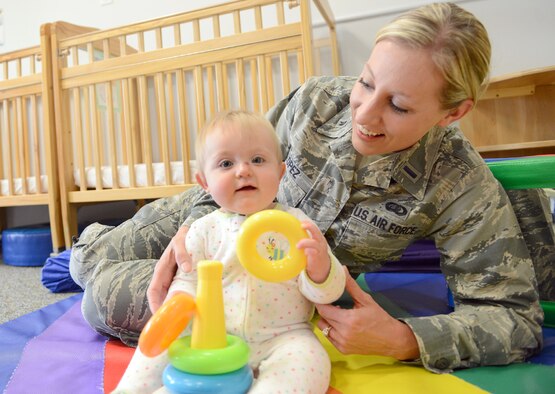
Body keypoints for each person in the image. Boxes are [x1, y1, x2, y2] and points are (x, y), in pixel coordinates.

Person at [70, 2, 548, 376]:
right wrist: (193, 234)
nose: (363, 114)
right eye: (366, 83)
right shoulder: (317, 100)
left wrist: (403, 339)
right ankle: (87, 242)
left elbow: (515, 321)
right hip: (207, 216)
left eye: (398, 106)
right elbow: (238, 163)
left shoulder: (458, 179)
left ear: (452, 113)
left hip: (272, 293)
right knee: (85, 263)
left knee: (101, 298)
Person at [112, 110, 346, 393]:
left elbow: (328, 293)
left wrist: (320, 269)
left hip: (282, 337)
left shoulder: (296, 225)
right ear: (204, 183)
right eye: (226, 163)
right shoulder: (203, 229)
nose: (244, 170)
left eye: (258, 160)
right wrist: (175, 308)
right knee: (154, 349)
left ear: (280, 172)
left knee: (311, 359)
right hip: (212, 337)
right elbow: (186, 282)